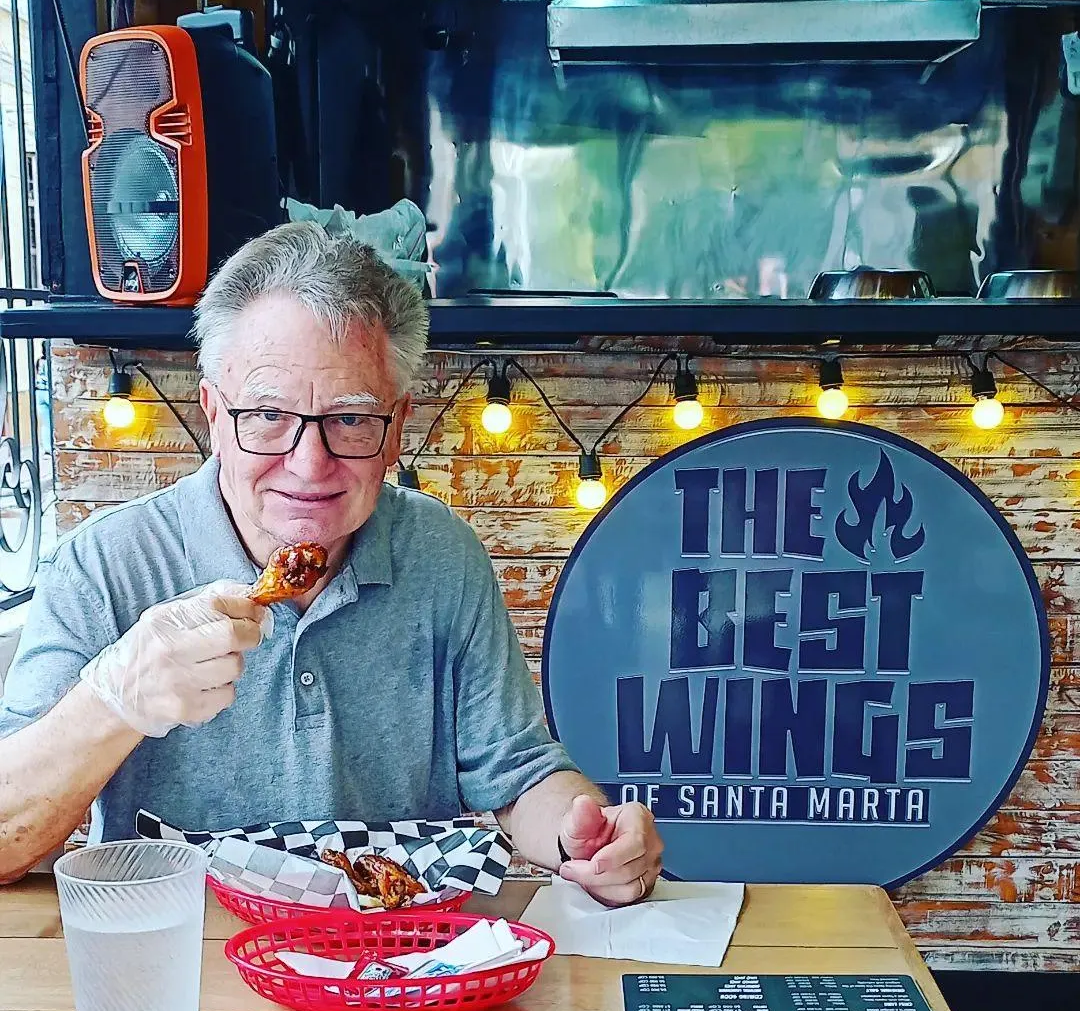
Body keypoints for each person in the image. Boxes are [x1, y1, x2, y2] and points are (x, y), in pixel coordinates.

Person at [0, 222, 663, 903]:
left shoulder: (442, 555)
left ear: (397, 425)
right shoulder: (105, 564)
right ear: (213, 415)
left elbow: (519, 776)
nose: (310, 465)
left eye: (350, 419)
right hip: (181, 969)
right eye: (267, 414)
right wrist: (117, 696)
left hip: (393, 967)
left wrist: (589, 839)